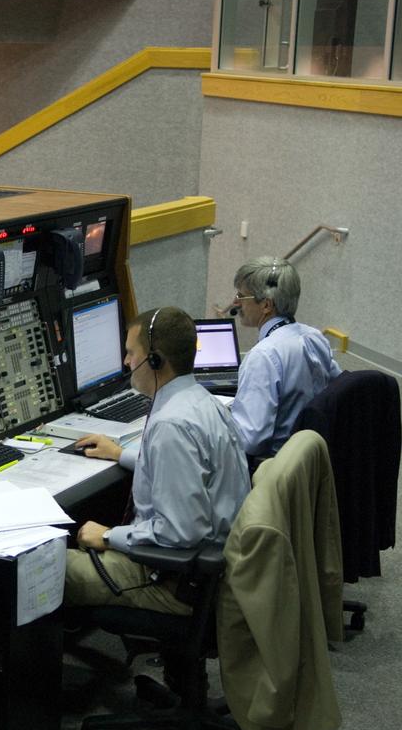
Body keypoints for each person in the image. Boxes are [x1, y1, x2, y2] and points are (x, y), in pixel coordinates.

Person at [64, 306, 250, 614]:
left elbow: (181, 532)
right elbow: (189, 470)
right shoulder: (203, 402)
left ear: (155, 361)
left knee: (43, 568)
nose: (126, 362)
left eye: (130, 353)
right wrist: (120, 453)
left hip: (172, 583)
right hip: (211, 569)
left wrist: (108, 536)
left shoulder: (170, 426)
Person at [229, 256, 341, 459]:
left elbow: (250, 440)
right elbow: (338, 388)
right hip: (313, 458)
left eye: (241, 296)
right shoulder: (315, 337)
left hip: (274, 470)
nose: (235, 303)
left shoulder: (263, 356)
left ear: (266, 305)